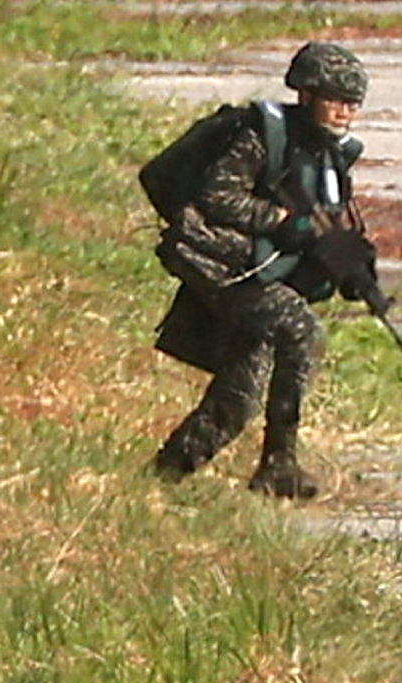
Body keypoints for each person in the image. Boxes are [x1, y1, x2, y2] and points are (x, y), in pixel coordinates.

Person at [139, 39, 373, 500]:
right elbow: (217, 197)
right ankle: (278, 463)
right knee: (302, 331)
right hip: (223, 263)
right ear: (306, 96)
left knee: (239, 397)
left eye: (353, 104)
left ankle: (158, 484)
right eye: (335, 100)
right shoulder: (261, 137)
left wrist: (352, 270)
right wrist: (283, 222)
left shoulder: (330, 156)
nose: (345, 112)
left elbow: (323, 222)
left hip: (255, 269)